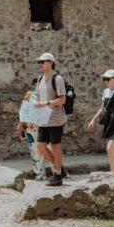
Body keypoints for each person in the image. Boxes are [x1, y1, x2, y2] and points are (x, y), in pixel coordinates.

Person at [33, 52, 68, 187]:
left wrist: (46, 103)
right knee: (40, 146)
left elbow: (62, 99)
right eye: (39, 62)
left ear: (51, 62)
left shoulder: (57, 79)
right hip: (43, 119)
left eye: (42, 62)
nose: (40, 64)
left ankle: (58, 176)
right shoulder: (40, 78)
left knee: (55, 147)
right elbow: (38, 97)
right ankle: (60, 168)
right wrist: (37, 105)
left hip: (55, 119)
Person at [14, 77, 46, 181]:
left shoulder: (48, 95)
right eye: (37, 83)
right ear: (34, 85)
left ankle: (58, 172)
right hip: (31, 127)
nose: (39, 85)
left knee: (47, 149)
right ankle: (39, 173)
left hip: (45, 126)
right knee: (34, 150)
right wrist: (21, 124)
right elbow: (24, 110)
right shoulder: (29, 95)